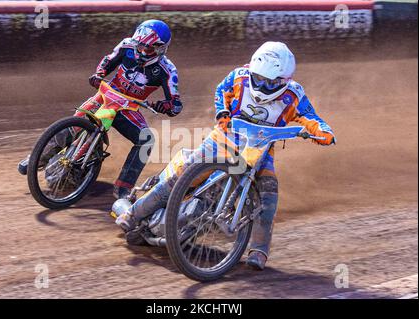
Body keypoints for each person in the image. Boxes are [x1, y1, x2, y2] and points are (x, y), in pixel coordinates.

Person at [114, 41, 335, 270]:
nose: (261, 85)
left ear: (283, 81)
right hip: (223, 141)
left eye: (269, 82)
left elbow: (311, 118)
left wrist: (323, 132)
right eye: (258, 78)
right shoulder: (239, 76)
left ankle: (259, 250)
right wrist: (223, 113)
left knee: (268, 194)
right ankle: (134, 213)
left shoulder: (294, 94)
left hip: (259, 152)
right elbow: (222, 90)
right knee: (181, 175)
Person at [17, 20, 183, 199]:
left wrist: (163, 105)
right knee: (74, 124)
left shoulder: (168, 70)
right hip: (106, 95)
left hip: (129, 107)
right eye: (140, 46)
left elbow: (176, 105)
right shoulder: (127, 45)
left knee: (147, 140)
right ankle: (36, 158)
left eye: (148, 49)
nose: (141, 52)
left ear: (161, 49)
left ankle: (123, 188)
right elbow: (108, 61)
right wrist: (99, 75)